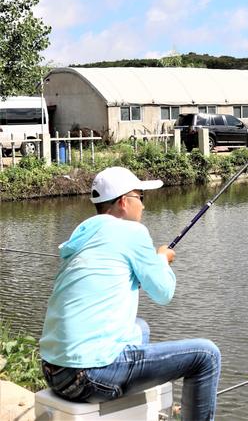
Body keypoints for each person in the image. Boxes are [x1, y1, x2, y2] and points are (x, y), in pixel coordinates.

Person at [39, 166, 221, 420]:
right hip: (88, 377)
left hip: (54, 371)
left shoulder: (84, 235)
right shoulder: (132, 232)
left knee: (141, 328)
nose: (144, 206)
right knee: (207, 355)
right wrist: (160, 259)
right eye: (141, 198)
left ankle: (131, 411)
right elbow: (163, 293)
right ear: (124, 202)